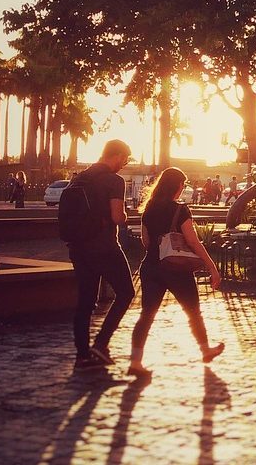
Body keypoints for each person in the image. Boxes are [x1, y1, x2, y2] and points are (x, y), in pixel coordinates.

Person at [127, 167, 225, 379]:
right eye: (183, 185)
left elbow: (146, 241)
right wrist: (211, 266)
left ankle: (135, 361)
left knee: (146, 314)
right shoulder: (180, 210)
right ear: (178, 186)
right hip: (176, 268)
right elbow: (193, 241)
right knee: (193, 311)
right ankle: (205, 349)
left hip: (151, 266)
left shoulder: (149, 208)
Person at [68, 139, 136, 370]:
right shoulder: (114, 180)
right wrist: (125, 216)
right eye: (125, 159)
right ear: (117, 155)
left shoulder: (80, 178)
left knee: (85, 302)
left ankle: (82, 356)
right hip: (104, 247)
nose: (124, 164)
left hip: (78, 247)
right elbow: (117, 217)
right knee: (126, 293)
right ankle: (101, 343)